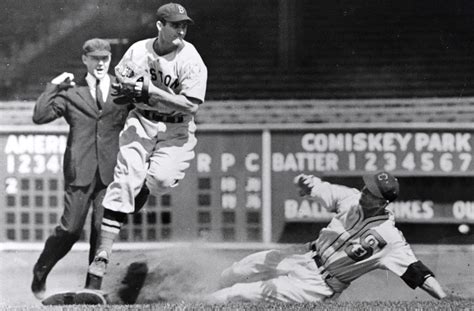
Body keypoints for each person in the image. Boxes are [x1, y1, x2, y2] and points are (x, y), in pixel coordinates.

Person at [85, 2, 207, 291]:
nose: (181, 29)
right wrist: (126, 89)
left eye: (184, 25)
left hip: (177, 128)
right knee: (125, 179)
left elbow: (191, 105)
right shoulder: (138, 50)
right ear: (159, 26)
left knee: (161, 180)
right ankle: (101, 256)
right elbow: (121, 85)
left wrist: (151, 90)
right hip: (141, 120)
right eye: (175, 24)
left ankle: (136, 195)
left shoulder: (190, 58)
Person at [208, 171, 447, 303]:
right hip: (303, 254)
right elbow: (321, 188)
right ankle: (202, 293)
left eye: (371, 193)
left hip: (317, 285)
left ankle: (200, 304)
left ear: (383, 202)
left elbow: (418, 273)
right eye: (367, 187)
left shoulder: (391, 239)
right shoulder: (351, 198)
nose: (365, 193)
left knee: (240, 293)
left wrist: (445, 300)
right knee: (240, 269)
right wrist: (308, 183)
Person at [31, 38, 149, 300]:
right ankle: (41, 270)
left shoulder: (122, 91)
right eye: (94, 58)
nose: (100, 63)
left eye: (104, 59)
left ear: (110, 60)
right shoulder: (72, 93)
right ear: (85, 59)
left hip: (110, 173)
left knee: (101, 228)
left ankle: (92, 286)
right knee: (70, 230)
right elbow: (40, 116)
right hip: (80, 171)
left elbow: (148, 111)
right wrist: (53, 86)